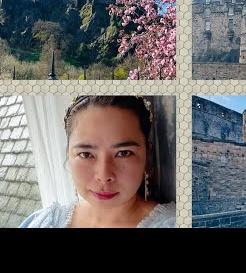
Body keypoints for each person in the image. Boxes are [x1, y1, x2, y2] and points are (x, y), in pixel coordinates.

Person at [19, 96, 176, 228]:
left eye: (123, 153)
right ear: (68, 154)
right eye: (86, 154)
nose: (104, 175)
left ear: (147, 158)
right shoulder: (43, 222)